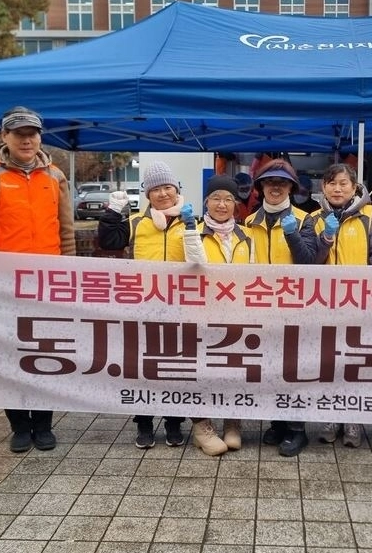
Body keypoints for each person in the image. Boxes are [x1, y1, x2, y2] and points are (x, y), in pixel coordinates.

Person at [0, 106, 75, 454]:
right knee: (9, 353)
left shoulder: (56, 175)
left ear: (40, 137)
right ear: (5, 137)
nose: (26, 139)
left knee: (45, 351)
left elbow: (66, 230)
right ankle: (19, 425)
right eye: (18, 134)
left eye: (32, 133)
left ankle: (43, 424)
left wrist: (69, 271)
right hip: (4, 279)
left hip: (48, 279)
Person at [98, 161, 187, 449]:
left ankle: (174, 422)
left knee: (175, 367)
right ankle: (145, 422)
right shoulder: (136, 222)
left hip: (181, 308)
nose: (163, 194)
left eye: (167, 188)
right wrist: (113, 214)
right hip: (143, 307)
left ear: (177, 190)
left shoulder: (191, 222)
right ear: (147, 195)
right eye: (156, 189)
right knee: (144, 368)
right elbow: (109, 241)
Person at [245, 159, 323, 456]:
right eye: (269, 182)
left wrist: (291, 233)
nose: (275, 187)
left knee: (292, 369)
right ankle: (277, 423)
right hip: (259, 307)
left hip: (294, 307)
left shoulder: (306, 219)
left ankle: (296, 429)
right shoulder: (249, 222)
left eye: (282, 183)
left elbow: (308, 262)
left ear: (291, 187)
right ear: (261, 187)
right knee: (269, 368)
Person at [313, 163, 372, 448]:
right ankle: (331, 418)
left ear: (355, 187)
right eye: (331, 183)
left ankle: (354, 421)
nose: (337, 189)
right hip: (323, 306)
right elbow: (309, 262)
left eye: (343, 183)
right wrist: (325, 240)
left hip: (359, 305)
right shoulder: (314, 219)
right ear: (323, 188)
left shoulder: (371, 216)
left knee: (355, 363)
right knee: (329, 364)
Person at [182, 174, 257, 456]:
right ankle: (202, 427)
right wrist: (191, 232)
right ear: (206, 202)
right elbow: (193, 267)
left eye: (228, 199)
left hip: (236, 314)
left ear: (236, 204)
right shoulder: (192, 231)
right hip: (200, 313)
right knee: (200, 371)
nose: (222, 204)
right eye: (215, 198)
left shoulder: (246, 235)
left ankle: (232, 422)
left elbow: (253, 275)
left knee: (233, 370)